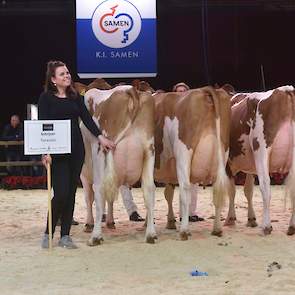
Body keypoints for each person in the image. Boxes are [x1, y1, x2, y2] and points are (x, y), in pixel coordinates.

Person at [39, 60, 115, 249]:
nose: (67, 76)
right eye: (62, 74)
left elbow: (87, 120)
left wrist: (100, 137)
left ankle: (65, 235)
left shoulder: (75, 97)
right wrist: (44, 152)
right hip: (56, 151)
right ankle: (48, 232)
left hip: (76, 149)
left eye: (67, 73)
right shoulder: (46, 99)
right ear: (53, 79)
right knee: (61, 193)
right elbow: (42, 127)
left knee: (71, 192)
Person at [172, 82, 204, 222]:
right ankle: (176, 214)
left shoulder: (194, 110)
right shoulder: (170, 108)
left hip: (191, 146)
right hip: (173, 149)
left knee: (193, 181)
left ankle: (190, 212)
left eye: (184, 91)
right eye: (179, 91)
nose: (181, 93)